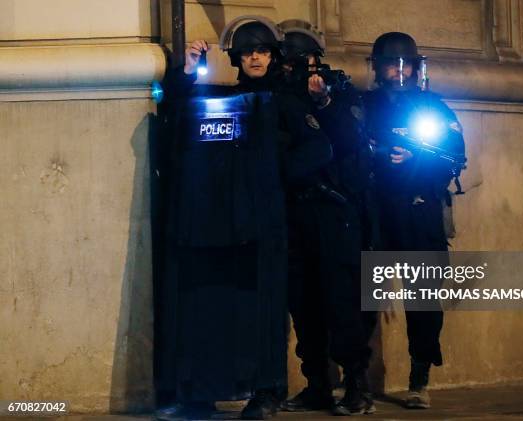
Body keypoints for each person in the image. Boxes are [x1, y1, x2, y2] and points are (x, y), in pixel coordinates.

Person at [156, 16, 332, 421]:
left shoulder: (287, 102)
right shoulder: (224, 100)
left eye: (263, 51)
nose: (255, 57)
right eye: (249, 51)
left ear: (274, 56)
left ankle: (267, 390)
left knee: (266, 310)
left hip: (268, 223)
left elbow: (318, 150)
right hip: (220, 223)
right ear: (237, 57)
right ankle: (204, 390)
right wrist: (185, 73)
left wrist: (273, 176)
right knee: (220, 307)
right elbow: (177, 116)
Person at [276, 20, 377, 416]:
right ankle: (317, 384)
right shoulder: (280, 98)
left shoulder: (338, 93)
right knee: (303, 304)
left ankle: (356, 384)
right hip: (296, 211)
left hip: (334, 213)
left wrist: (325, 103)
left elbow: (351, 139)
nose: (295, 72)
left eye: (301, 63)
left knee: (342, 303)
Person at [363, 32, 466, 409]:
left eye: (405, 64)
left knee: (423, 300)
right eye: (392, 63)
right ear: (378, 67)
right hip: (377, 213)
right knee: (364, 300)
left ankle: (419, 377)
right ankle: (358, 379)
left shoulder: (433, 107)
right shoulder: (365, 106)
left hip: (420, 212)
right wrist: (379, 156)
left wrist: (414, 159)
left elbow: (454, 155)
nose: (399, 71)